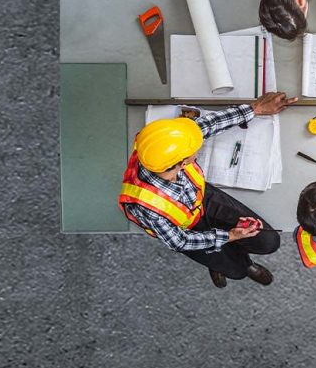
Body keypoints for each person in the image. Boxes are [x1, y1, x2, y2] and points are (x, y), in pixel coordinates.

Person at [118, 92, 297, 288]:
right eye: (194, 151)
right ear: (182, 162)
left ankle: (223, 256)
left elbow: (205, 127)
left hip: (202, 198)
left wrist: (256, 109)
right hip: (186, 228)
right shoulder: (146, 207)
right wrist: (231, 236)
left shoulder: (156, 148)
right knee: (235, 270)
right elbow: (180, 241)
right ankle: (241, 265)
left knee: (268, 241)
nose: (198, 147)